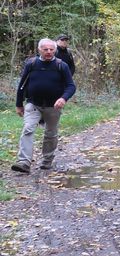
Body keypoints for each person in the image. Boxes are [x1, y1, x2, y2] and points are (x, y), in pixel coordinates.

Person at [11, 38, 76, 173]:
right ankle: (24, 162)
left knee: (51, 133)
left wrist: (63, 98)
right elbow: (22, 85)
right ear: (39, 50)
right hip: (33, 104)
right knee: (28, 129)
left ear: (55, 50)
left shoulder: (61, 65)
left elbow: (71, 86)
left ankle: (47, 161)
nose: (48, 52)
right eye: (45, 49)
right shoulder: (32, 64)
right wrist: (19, 104)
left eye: (51, 49)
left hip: (54, 107)